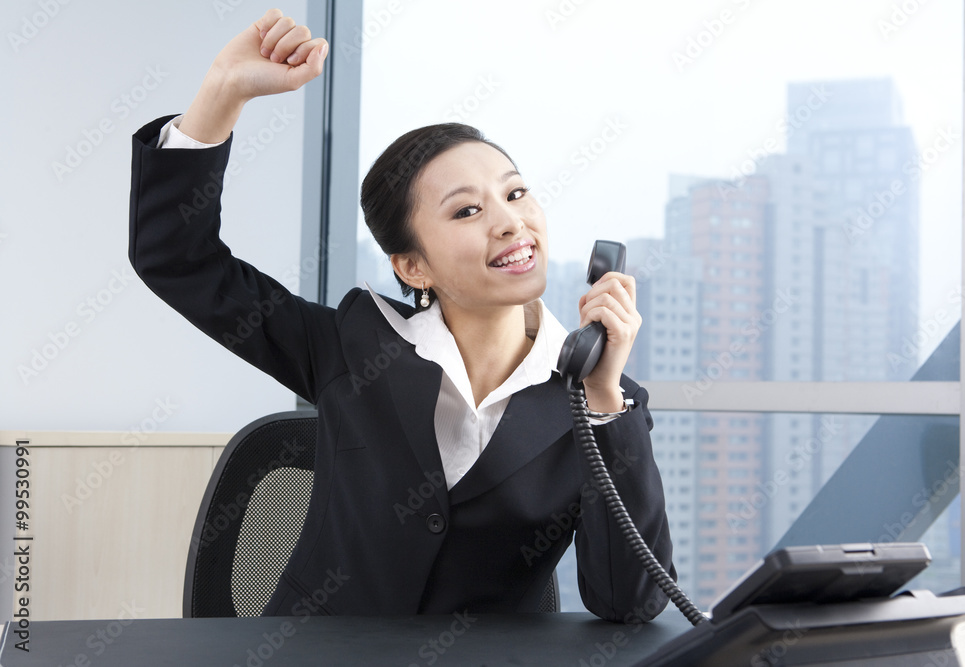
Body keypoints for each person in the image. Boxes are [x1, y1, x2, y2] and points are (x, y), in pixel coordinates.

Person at [128, 9, 674, 622]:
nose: (510, 221)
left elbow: (630, 604)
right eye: (467, 211)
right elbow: (176, 258)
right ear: (414, 268)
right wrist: (222, 92)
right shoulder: (352, 345)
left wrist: (602, 400)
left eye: (515, 193)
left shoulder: (596, 400)